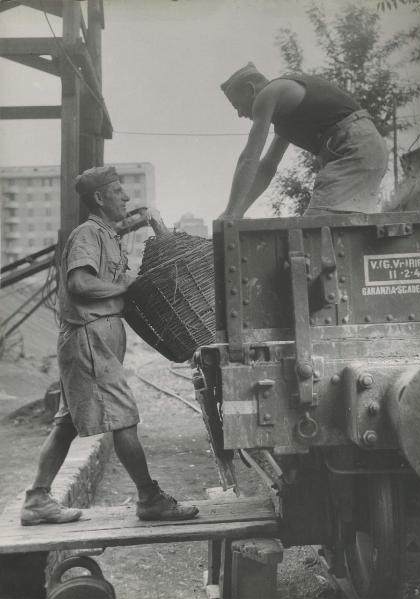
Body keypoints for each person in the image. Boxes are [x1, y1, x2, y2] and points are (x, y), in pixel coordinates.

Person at [21, 166, 199, 525]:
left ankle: (37, 499)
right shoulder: (89, 233)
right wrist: (127, 287)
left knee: (67, 423)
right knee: (125, 418)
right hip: (89, 338)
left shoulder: (108, 235)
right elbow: (81, 285)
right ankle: (149, 498)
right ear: (100, 198)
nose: (127, 197)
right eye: (119, 191)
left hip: (95, 338)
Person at [219, 62, 389, 218]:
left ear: (250, 89)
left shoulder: (267, 96)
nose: (240, 114)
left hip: (353, 147)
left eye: (237, 106)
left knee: (315, 229)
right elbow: (267, 167)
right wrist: (237, 212)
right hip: (368, 148)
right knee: (342, 226)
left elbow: (250, 157)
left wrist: (230, 214)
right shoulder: (285, 114)